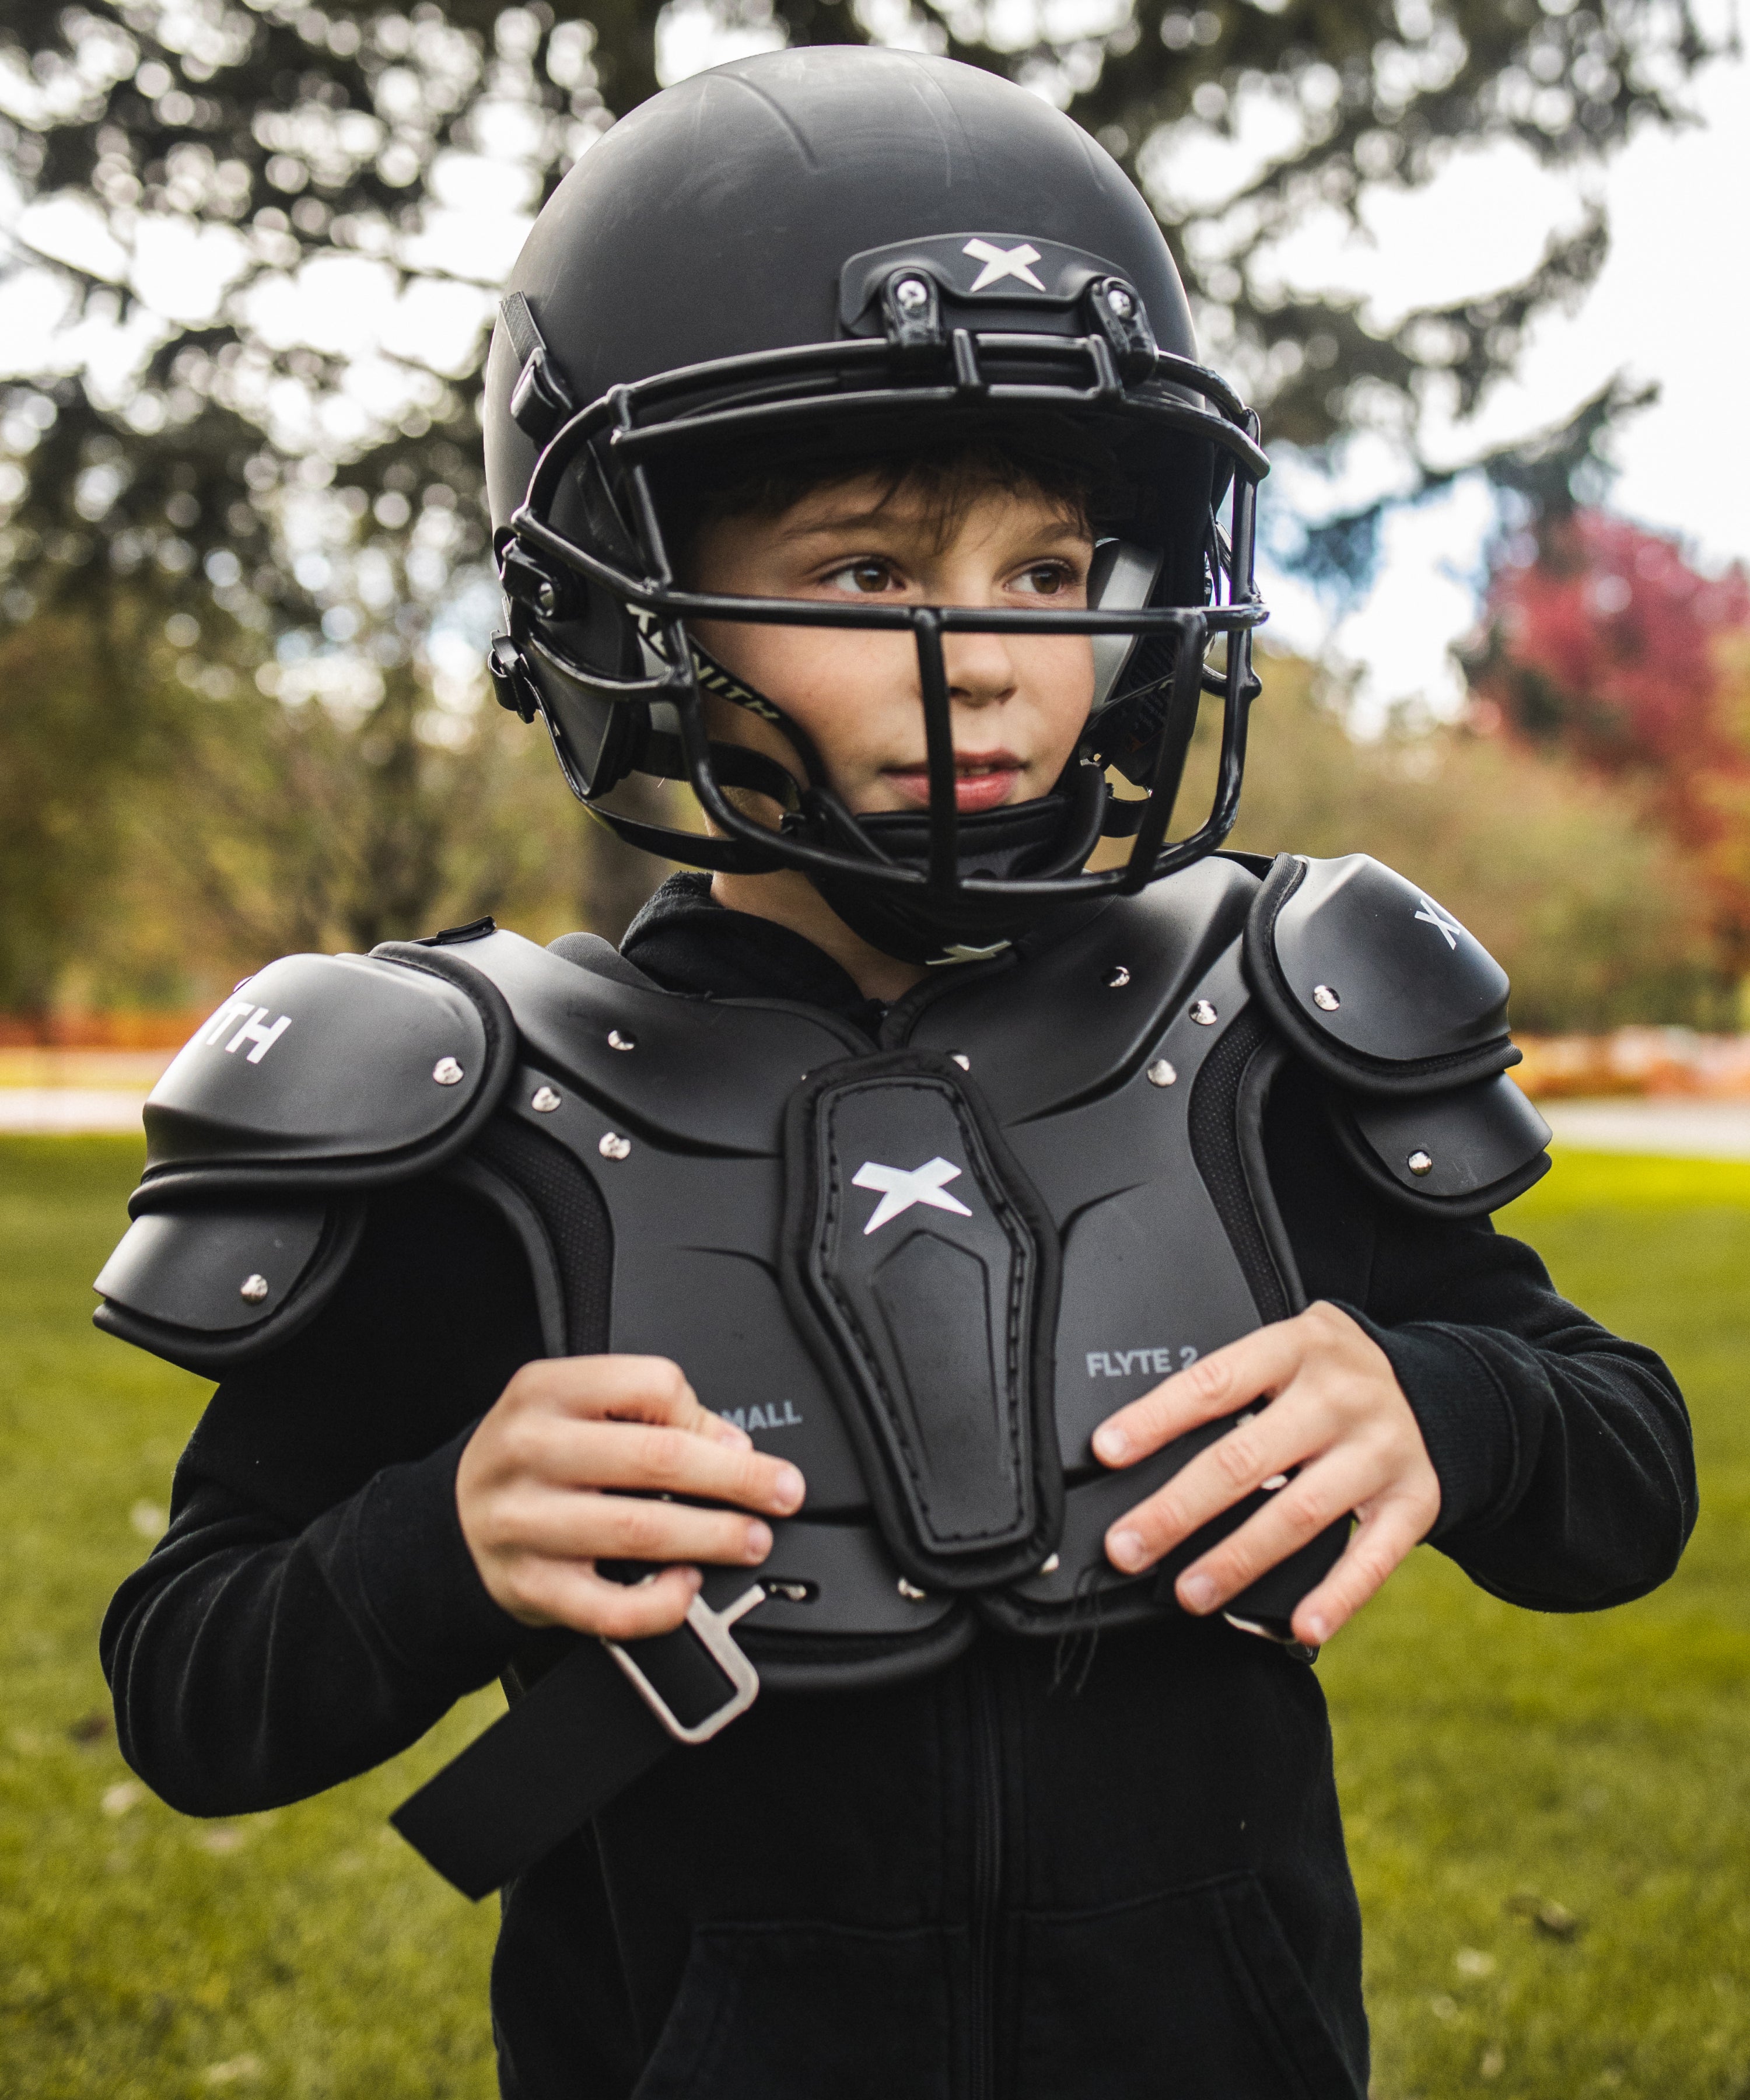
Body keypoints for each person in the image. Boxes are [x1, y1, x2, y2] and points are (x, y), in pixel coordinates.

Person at [96, 46, 1695, 2100]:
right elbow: (191, 1689)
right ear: (622, 585)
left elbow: (1623, 1479)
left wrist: (1445, 1407)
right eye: (870, 575)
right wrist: (441, 1537)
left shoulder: (1257, 1032)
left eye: (1048, 573)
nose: (997, 655)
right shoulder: (473, 1124)